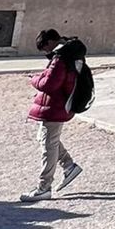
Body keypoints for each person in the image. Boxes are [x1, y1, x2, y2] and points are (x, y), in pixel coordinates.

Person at [20, 28, 86, 203]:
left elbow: (50, 84)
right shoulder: (68, 53)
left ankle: (44, 187)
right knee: (46, 139)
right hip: (58, 104)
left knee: (48, 144)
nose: (46, 52)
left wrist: (34, 79)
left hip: (56, 105)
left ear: (50, 42)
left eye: (45, 48)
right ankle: (68, 166)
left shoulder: (61, 57)